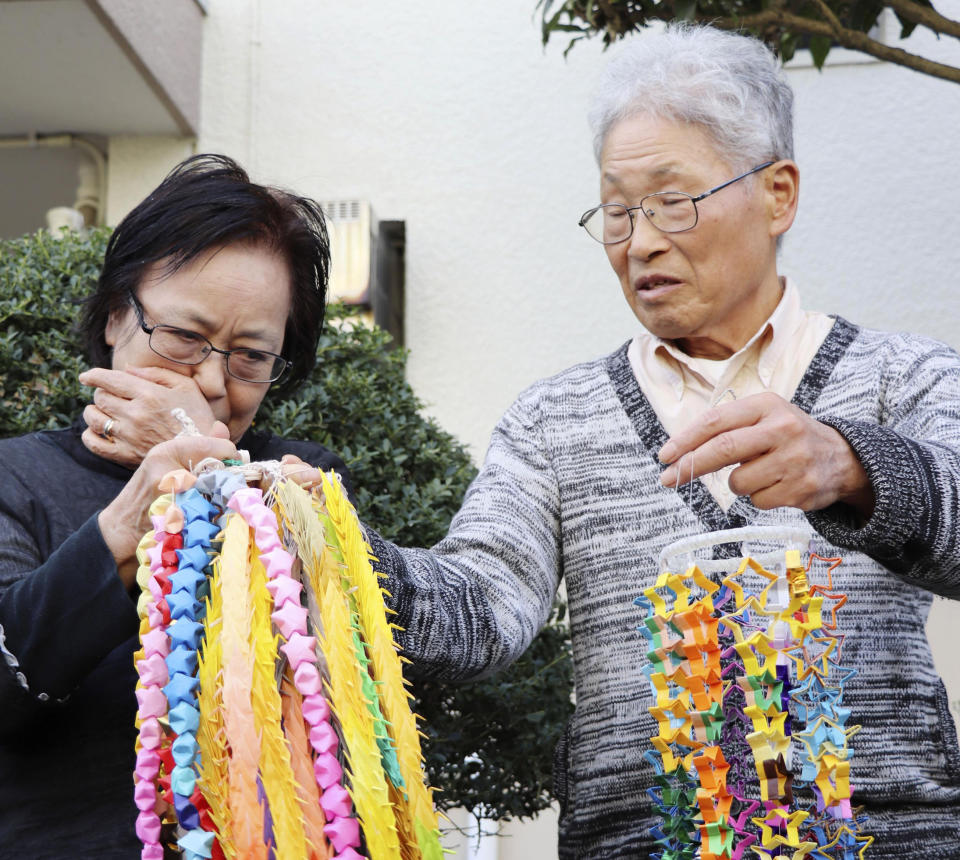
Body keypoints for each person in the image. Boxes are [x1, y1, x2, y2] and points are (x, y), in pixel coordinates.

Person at [313, 25, 957, 858]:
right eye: (617, 211)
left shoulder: (906, 378)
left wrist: (854, 468)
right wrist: (323, 546)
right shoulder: (554, 418)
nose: (640, 241)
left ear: (778, 194)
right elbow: (485, 604)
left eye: (672, 201)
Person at [0, 154, 352, 858]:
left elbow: (342, 692)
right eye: (186, 339)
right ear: (112, 315)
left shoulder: (300, 478)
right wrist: (129, 523)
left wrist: (207, 461)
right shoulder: (16, 476)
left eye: (251, 356)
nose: (215, 382)